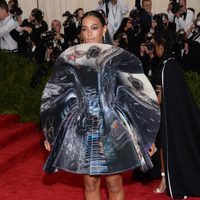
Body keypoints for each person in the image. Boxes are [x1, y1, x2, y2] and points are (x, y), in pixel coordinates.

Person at [41, 10, 160, 200]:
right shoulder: (71, 60)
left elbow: (135, 97)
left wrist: (147, 135)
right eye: (85, 29)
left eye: (94, 28)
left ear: (104, 29)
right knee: (90, 182)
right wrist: (51, 131)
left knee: (114, 182)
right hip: (84, 127)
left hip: (113, 126)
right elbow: (57, 96)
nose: (89, 34)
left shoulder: (118, 59)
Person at [151, 38, 200, 199]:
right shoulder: (170, 64)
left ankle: (167, 180)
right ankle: (166, 179)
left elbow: (161, 97)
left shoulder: (168, 67)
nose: (154, 48)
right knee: (163, 145)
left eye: (155, 45)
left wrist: (145, 104)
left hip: (168, 115)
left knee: (164, 145)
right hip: (168, 114)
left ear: (162, 46)